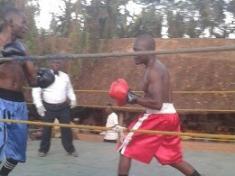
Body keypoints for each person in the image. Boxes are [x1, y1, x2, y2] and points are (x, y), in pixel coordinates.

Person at [109, 34, 202, 176]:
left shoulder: (153, 71)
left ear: (149, 51)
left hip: (158, 116)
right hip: (170, 115)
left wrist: (133, 98)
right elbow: (154, 99)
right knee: (173, 159)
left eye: (138, 50)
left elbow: (157, 104)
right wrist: (132, 98)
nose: (134, 54)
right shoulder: (156, 67)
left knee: (125, 147)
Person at [0, 7, 38, 176]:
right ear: (10, 22)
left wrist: (44, 77)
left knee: (16, 153)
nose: (26, 26)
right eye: (23, 22)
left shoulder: (22, 48)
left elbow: (33, 79)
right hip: (1, 101)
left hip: (19, 104)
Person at [32, 59, 78, 157]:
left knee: (66, 129)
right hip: (48, 107)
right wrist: (39, 105)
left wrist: (73, 99)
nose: (56, 64)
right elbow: (36, 90)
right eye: (54, 62)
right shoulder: (43, 75)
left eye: (58, 62)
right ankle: (43, 150)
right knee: (46, 129)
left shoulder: (65, 76)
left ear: (61, 64)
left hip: (63, 107)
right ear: (50, 64)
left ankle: (70, 149)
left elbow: (69, 89)